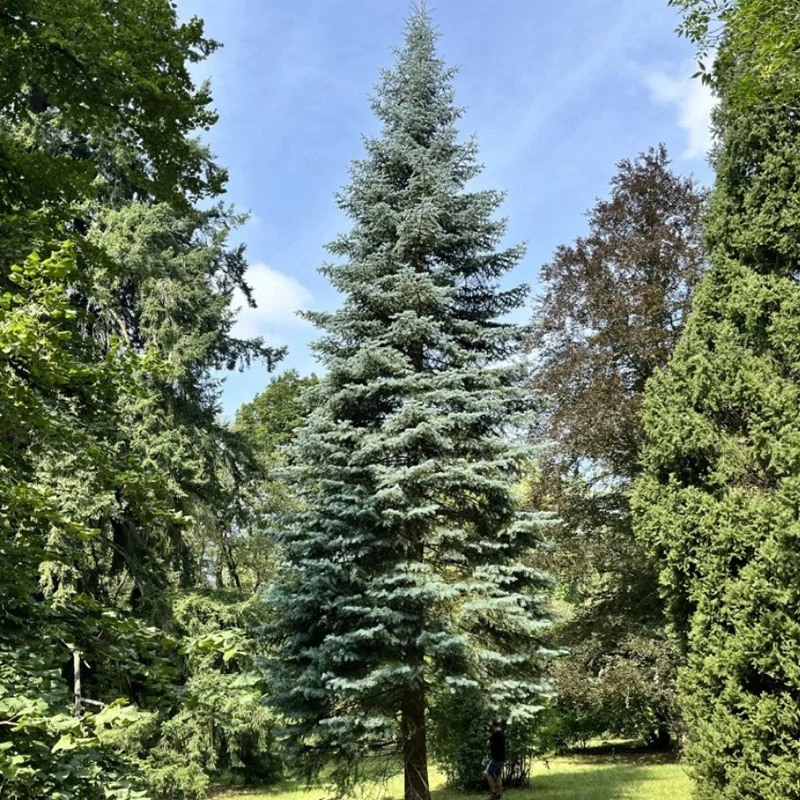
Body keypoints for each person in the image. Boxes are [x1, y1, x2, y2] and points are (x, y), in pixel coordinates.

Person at [485, 720, 505, 800]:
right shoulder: (502, 733)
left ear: (493, 726)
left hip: (495, 758)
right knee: (498, 775)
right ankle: (499, 794)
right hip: (501, 758)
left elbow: (489, 745)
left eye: (491, 726)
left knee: (488, 773)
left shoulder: (495, 734)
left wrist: (488, 743)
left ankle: (493, 794)